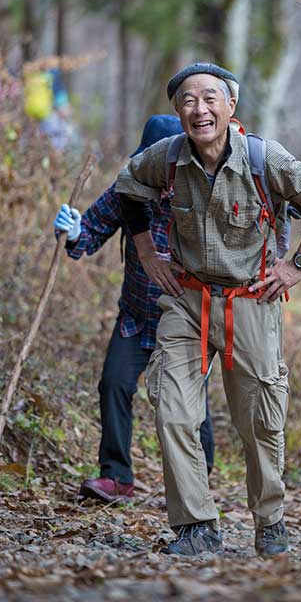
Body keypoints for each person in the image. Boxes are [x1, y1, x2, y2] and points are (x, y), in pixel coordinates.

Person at [115, 62, 301, 557]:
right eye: (189, 102)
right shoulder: (168, 157)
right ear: (178, 112)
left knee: (260, 420)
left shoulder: (265, 158)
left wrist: (297, 263)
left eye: (210, 99)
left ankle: (270, 520)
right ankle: (196, 526)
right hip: (186, 300)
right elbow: (126, 188)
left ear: (230, 106)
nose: (200, 110)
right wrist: (148, 254)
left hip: (251, 303)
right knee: (173, 411)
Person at [53, 115, 215, 504]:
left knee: (188, 407)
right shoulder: (129, 189)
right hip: (136, 318)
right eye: (152, 163)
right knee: (114, 384)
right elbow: (91, 231)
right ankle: (116, 478)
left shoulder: (204, 197)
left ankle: (197, 485)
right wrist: (75, 230)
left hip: (187, 323)